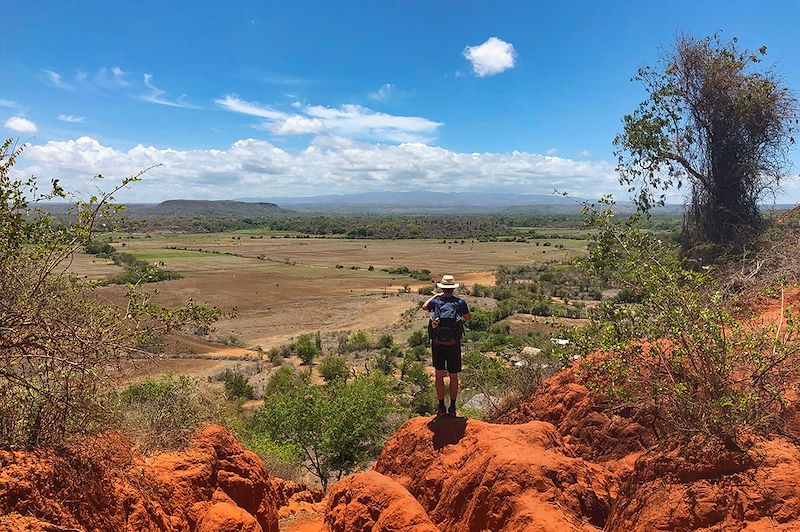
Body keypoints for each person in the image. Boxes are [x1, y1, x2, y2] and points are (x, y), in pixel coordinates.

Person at [422, 274, 471, 417]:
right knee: (454, 376)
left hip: (437, 344)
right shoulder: (459, 302)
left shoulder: (437, 302)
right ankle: (453, 408)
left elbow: (425, 306)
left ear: (442, 288)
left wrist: (435, 296)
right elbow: (468, 317)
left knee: (439, 375)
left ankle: (441, 407)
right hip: (453, 344)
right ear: (453, 289)